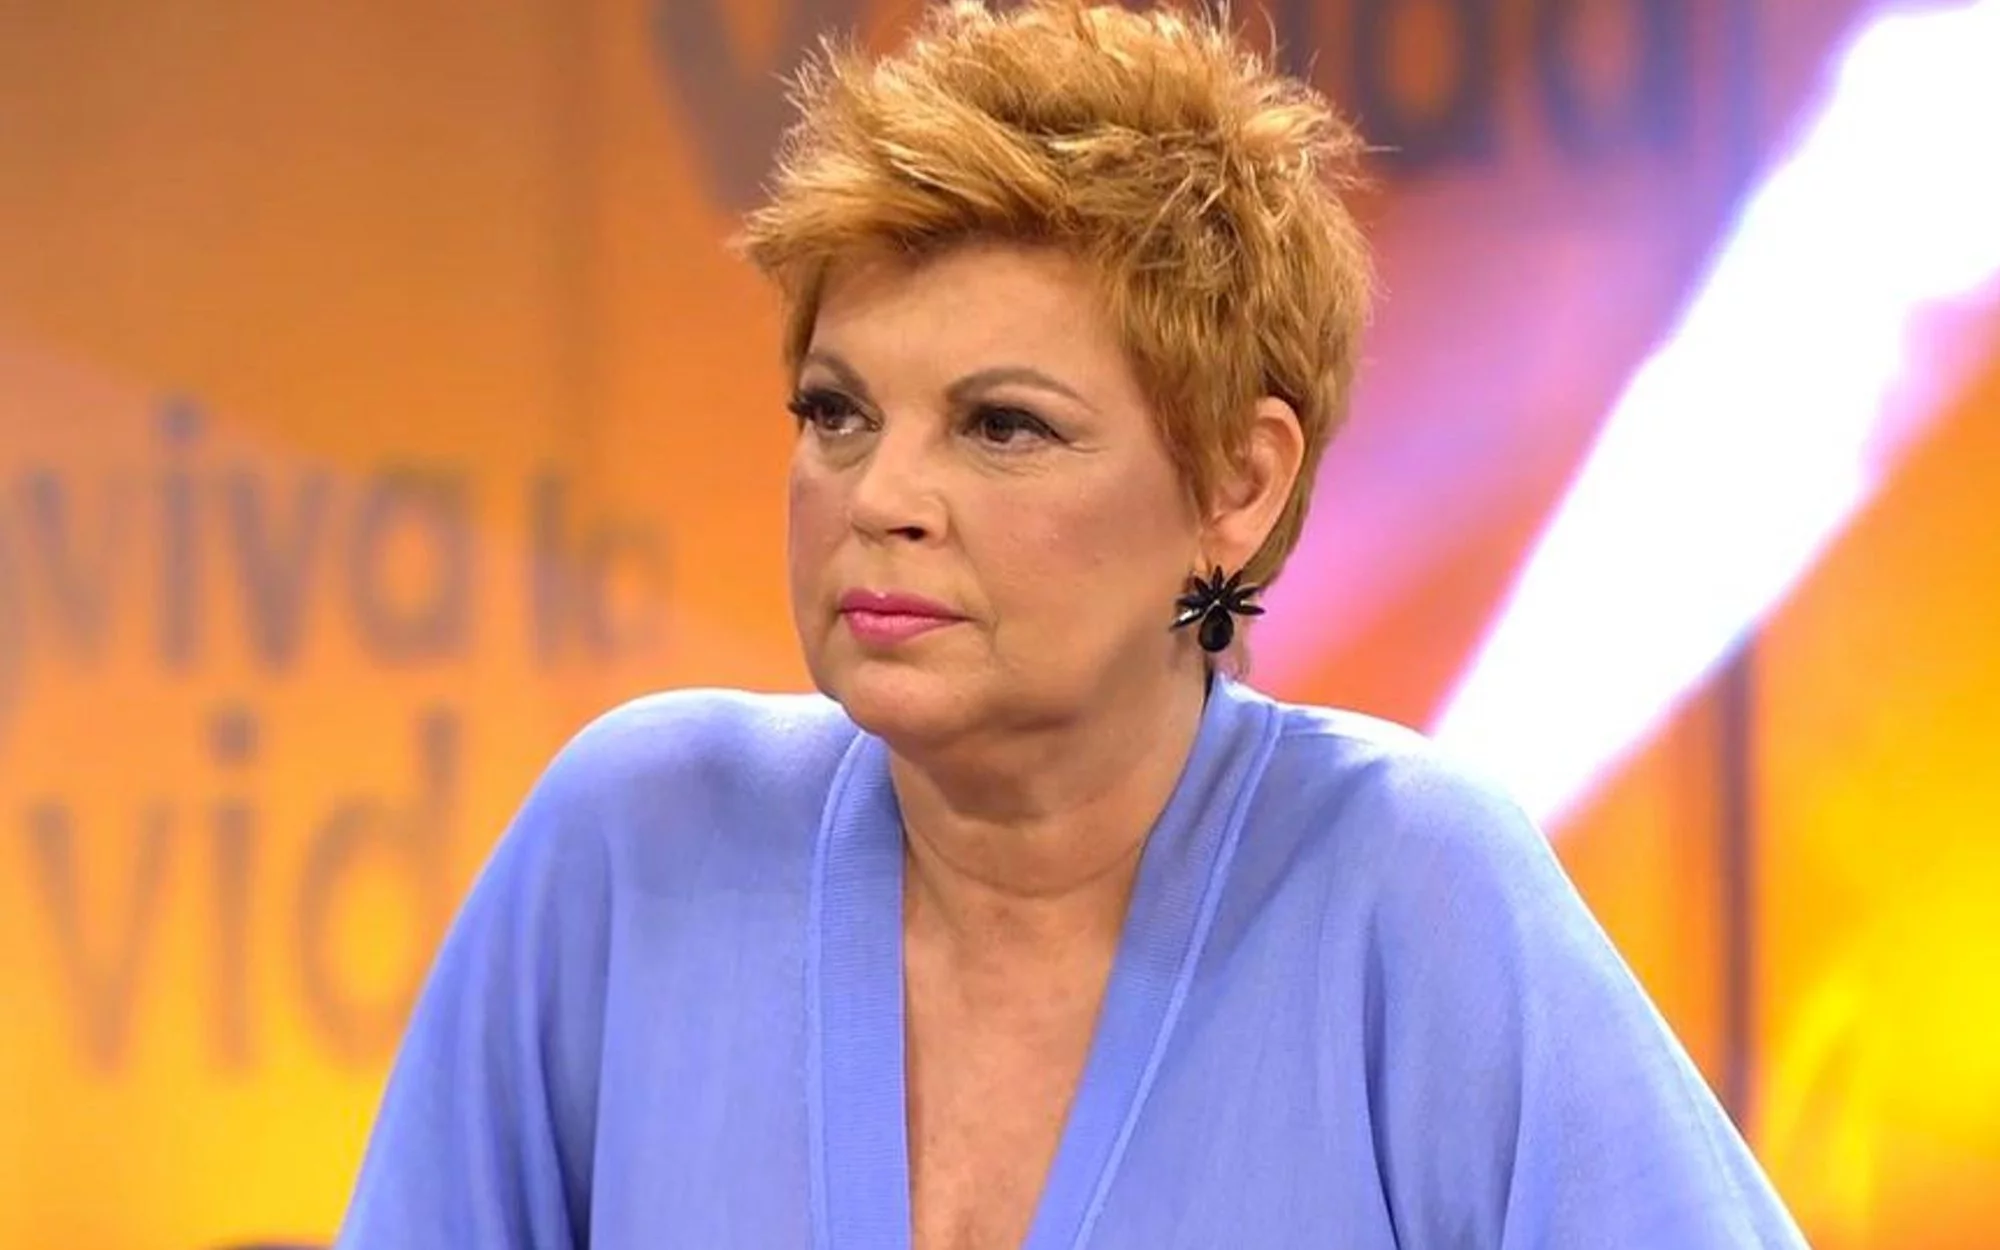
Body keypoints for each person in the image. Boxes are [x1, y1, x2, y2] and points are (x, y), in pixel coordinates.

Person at [335, 2, 1809, 1247]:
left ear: (1235, 482)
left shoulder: (1409, 891)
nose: (880, 497)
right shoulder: (633, 846)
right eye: (837, 413)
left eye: (1003, 427)